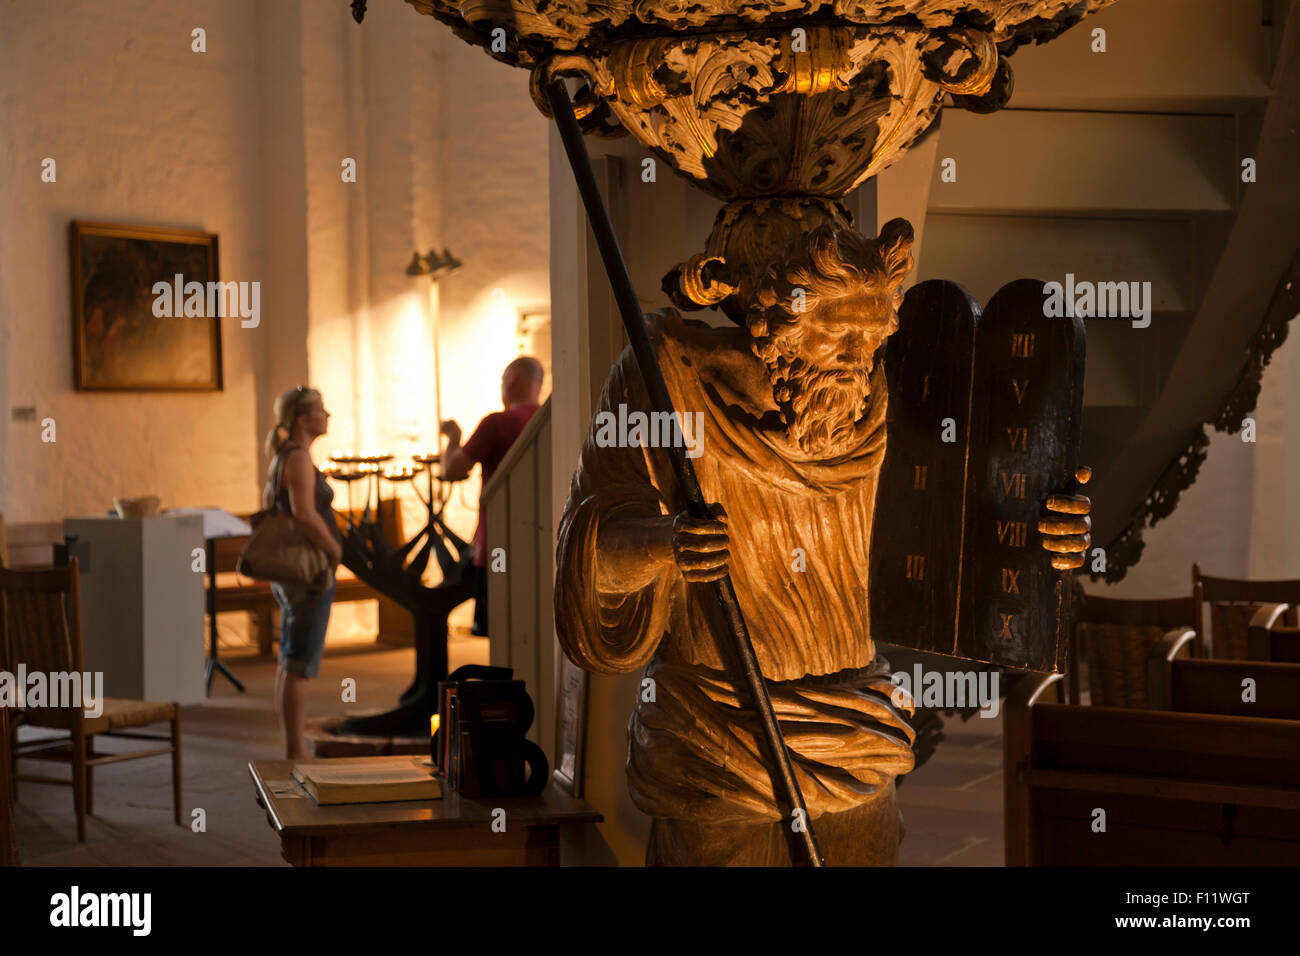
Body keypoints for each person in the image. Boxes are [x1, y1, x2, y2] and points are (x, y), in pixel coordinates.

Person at [554, 220, 1092, 865]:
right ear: (778, 324)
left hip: (858, 731)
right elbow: (592, 548)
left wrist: (1046, 537)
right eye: (839, 331)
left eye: (873, 336)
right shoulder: (668, 378)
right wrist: (666, 541)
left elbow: (973, 533)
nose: (857, 355)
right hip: (722, 735)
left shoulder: (890, 399)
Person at [261, 385, 344, 760]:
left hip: (295, 572)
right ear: (302, 418)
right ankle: (295, 753)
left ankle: (292, 748)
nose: (328, 416)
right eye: (321, 410)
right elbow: (304, 514)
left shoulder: (286, 456)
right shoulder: (296, 459)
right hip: (306, 572)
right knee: (299, 663)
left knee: (291, 659)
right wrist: (334, 548)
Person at [439, 356, 544, 635]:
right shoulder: (553, 420)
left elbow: (452, 471)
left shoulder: (498, 422)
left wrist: (452, 437)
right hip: (546, 540)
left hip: (499, 543)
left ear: (511, 381)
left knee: (501, 630)